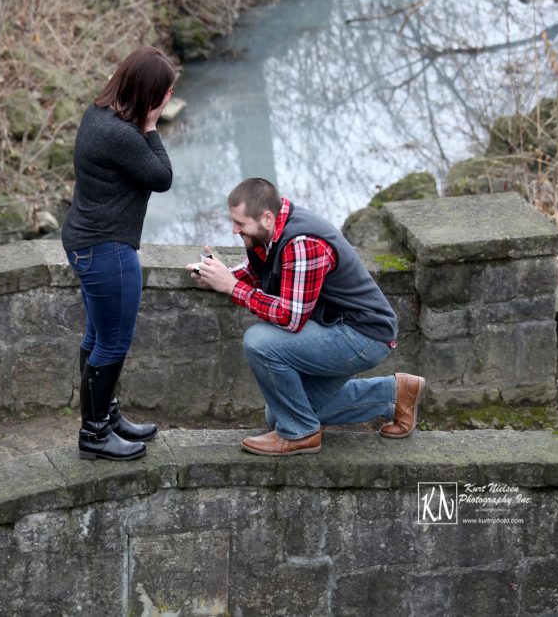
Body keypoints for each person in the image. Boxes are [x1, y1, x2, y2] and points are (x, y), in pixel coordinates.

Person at [188, 178, 426, 456]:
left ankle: (300, 435)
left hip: (362, 335)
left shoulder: (303, 243)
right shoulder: (271, 231)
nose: (234, 230)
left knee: (259, 341)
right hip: (335, 326)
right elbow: (259, 271)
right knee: (279, 415)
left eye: (239, 224)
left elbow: (290, 317)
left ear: (266, 217)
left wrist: (232, 287)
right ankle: (396, 394)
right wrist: (217, 275)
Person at [61, 46, 177, 461]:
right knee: (112, 342)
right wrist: (152, 124)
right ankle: (94, 434)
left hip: (88, 242)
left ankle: (104, 418)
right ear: (152, 94)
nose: (168, 99)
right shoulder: (122, 134)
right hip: (106, 247)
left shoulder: (99, 114)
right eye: (166, 93)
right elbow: (161, 177)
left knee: (97, 336)